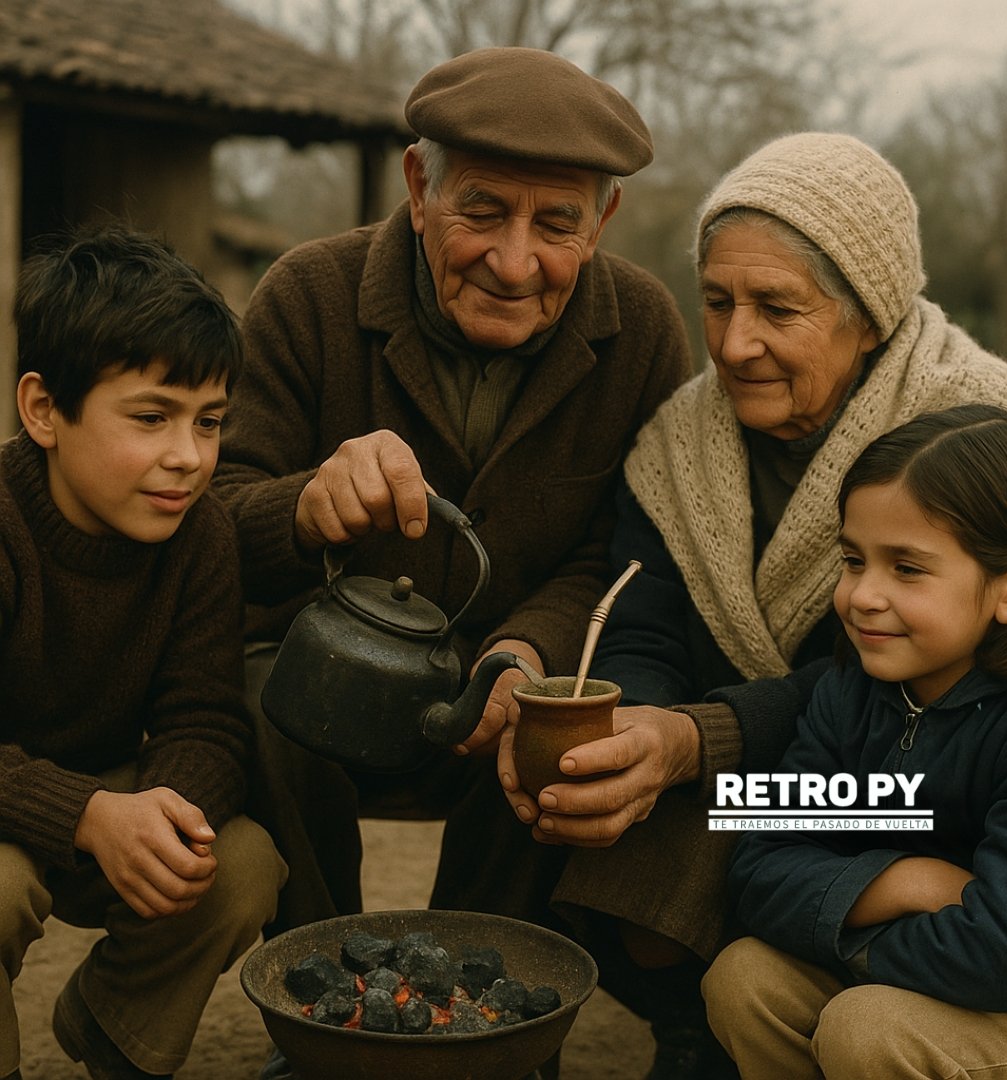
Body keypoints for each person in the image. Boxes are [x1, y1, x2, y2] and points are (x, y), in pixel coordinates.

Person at [480, 132, 1007, 1078]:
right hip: (755, 753)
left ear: (870, 314)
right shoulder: (678, 445)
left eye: (777, 308)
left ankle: (741, 1023)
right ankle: (664, 1026)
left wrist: (694, 742)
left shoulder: (972, 436)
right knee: (564, 795)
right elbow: (644, 621)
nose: (736, 343)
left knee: (723, 835)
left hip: (911, 784)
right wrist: (642, 726)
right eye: (717, 301)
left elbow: (878, 686)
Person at [212, 45, 691, 1080]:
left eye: (556, 224)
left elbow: (629, 558)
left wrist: (530, 649)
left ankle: (486, 1031)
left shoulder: (647, 331)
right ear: (419, 186)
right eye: (483, 211)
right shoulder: (306, 295)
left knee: (562, 719)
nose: (516, 262)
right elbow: (208, 530)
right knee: (262, 698)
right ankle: (331, 1017)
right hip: (315, 699)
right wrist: (301, 504)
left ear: (601, 223)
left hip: (494, 690)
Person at [704, 403, 1007, 1078]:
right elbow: (757, 867)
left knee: (867, 1028)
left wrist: (837, 913)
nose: (863, 596)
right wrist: (903, 881)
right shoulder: (849, 693)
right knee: (745, 977)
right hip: (923, 977)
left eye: (906, 568)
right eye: (853, 560)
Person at [0, 226, 287, 1080]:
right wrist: (85, 815)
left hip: (108, 803)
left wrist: (165, 815)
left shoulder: (199, 534)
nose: (188, 458)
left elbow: (204, 717)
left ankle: (116, 1031)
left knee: (236, 865)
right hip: (18, 815)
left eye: (209, 423)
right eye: (151, 418)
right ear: (44, 411)